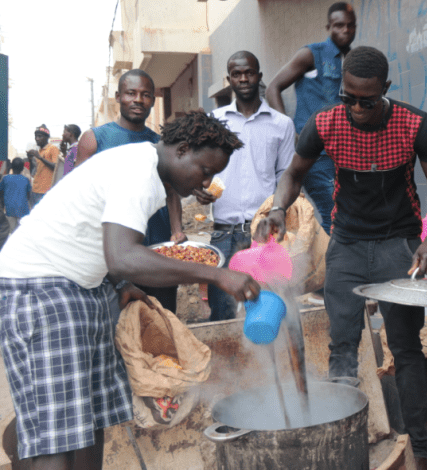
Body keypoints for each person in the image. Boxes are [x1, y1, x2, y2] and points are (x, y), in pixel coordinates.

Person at [0, 111, 260, 470]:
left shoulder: (151, 170)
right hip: (41, 288)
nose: (208, 180)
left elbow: (102, 241)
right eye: (205, 170)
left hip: (82, 287)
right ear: (182, 149)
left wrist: (121, 285)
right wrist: (215, 276)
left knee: (89, 421)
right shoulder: (137, 171)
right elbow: (122, 256)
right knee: (56, 435)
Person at [256, 46, 427, 469]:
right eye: (350, 98)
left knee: (405, 346)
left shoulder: (416, 124)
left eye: (368, 99)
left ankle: (421, 451)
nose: (358, 108)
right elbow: (293, 173)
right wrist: (277, 208)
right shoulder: (325, 123)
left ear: (385, 89)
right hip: (345, 244)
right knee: (341, 348)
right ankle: (343, 450)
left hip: (397, 246)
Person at [194, 51, 295, 321]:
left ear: (259, 76)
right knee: (223, 314)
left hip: (264, 232)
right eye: (236, 74)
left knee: (271, 308)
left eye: (249, 73)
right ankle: (228, 364)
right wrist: (199, 187)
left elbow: (287, 174)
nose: (243, 78)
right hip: (223, 234)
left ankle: (272, 364)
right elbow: (201, 169)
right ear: (229, 80)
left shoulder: (281, 124)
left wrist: (279, 210)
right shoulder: (214, 122)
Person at [75, 69, 185, 314]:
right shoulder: (94, 140)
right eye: (131, 93)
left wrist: (177, 230)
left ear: (152, 101)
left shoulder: (161, 144)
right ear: (118, 96)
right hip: (115, 260)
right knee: (121, 333)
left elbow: (171, 193)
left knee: (163, 326)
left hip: (157, 253)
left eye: (145, 95)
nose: (138, 100)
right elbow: (80, 199)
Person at [266, 2, 357, 235]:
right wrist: (290, 131)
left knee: (347, 213)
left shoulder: (354, 60)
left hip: (344, 151)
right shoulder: (311, 54)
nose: (345, 30)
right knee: (333, 213)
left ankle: (335, 266)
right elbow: (273, 88)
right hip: (315, 154)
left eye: (350, 25)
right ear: (328, 27)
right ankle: (334, 269)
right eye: (338, 25)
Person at [26, 125, 58, 207]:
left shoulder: (53, 148)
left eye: (39, 136)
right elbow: (33, 172)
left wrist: (40, 157)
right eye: (36, 136)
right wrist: (30, 159)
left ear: (47, 137)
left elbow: (55, 167)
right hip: (35, 189)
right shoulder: (39, 151)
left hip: (46, 191)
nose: (37, 138)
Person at [0, 158, 31, 233]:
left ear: (11, 167)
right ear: (22, 168)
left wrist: (3, 205)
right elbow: (28, 195)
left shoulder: (5, 178)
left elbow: (1, 193)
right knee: (22, 232)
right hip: (23, 209)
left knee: (11, 231)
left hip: (10, 209)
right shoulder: (25, 179)